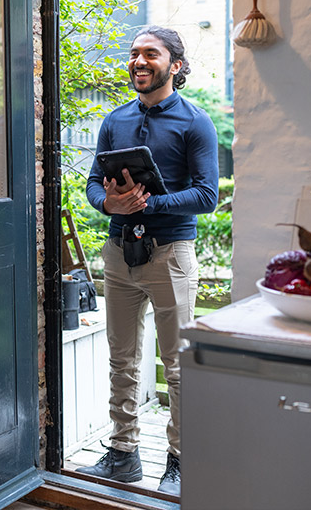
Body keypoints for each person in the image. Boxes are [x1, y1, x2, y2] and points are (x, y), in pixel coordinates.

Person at [79, 26, 219, 496]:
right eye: (135, 53)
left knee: (177, 366)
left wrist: (148, 205)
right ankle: (123, 455)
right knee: (121, 360)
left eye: (151, 54)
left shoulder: (195, 122)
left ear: (174, 65)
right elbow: (93, 183)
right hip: (119, 255)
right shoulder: (114, 119)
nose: (139, 61)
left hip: (170, 257)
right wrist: (108, 205)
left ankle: (181, 462)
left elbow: (207, 197)